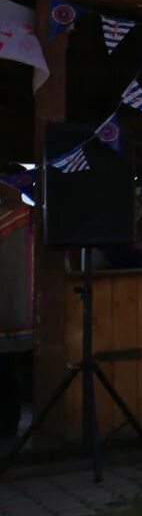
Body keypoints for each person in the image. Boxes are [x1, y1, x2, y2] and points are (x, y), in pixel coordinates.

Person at [0, 170, 32, 438]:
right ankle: (8, 424)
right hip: (7, 302)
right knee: (6, 372)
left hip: (29, 303)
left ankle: (13, 424)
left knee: (21, 370)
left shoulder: (37, 218)